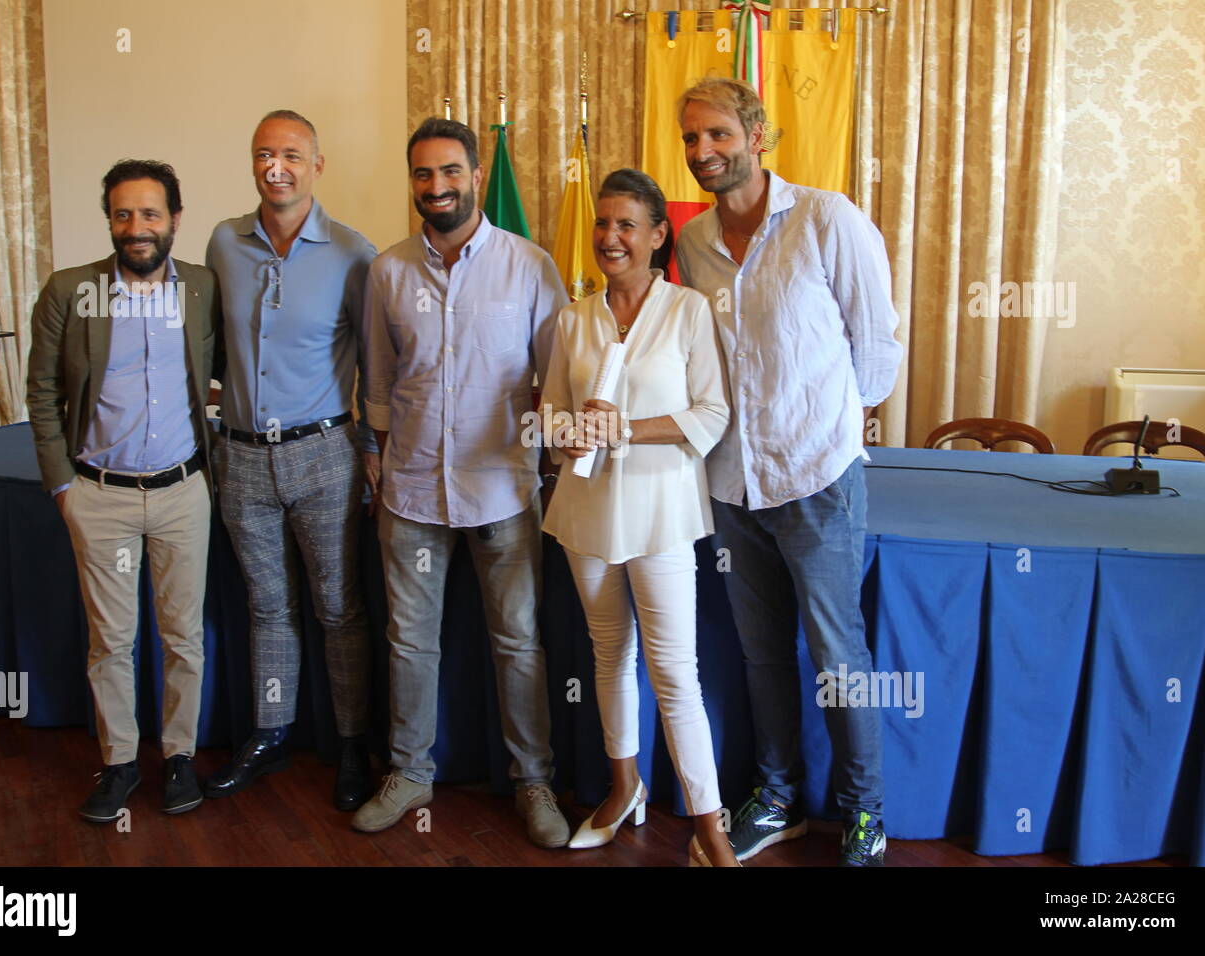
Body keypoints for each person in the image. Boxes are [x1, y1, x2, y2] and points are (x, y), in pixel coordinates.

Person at [674, 77, 903, 866]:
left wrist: (830, 426)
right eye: (692, 140)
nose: (704, 152)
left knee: (840, 653)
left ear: (757, 134)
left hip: (817, 478)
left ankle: (864, 813)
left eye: (718, 135)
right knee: (761, 650)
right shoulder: (692, 243)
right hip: (732, 485)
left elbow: (877, 346)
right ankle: (778, 798)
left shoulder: (824, 218)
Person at [354, 118, 569, 848]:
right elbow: (379, 384)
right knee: (410, 642)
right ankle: (411, 771)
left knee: (518, 642)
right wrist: (377, 455)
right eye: (423, 175)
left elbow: (555, 382)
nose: (437, 187)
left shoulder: (530, 267)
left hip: (504, 491)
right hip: (411, 492)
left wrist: (544, 465)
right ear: (412, 182)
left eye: (450, 172)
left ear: (477, 176)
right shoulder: (387, 272)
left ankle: (533, 779)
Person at [542, 169, 737, 867]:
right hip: (588, 513)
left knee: (675, 671)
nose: (611, 237)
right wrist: (563, 431)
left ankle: (709, 826)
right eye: (603, 224)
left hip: (659, 512)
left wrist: (624, 427)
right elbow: (549, 412)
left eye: (628, 225)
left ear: (659, 236)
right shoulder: (572, 317)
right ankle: (624, 787)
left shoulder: (688, 312)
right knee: (607, 654)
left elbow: (712, 415)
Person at [27, 159, 219, 822]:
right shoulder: (68, 290)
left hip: (182, 491)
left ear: (175, 220)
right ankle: (116, 764)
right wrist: (62, 486)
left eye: (150, 213)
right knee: (111, 641)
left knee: (182, 637)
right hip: (99, 495)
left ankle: (178, 757)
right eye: (123, 214)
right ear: (110, 219)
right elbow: (43, 393)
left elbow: (221, 372)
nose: (137, 227)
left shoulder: (202, 288)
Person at [203, 110, 379, 811]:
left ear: (317, 165)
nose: (277, 167)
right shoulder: (222, 242)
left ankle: (351, 746)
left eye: (292, 155)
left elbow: (378, 364)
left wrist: (372, 452)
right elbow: (212, 344)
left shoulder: (352, 253)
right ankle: (271, 733)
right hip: (242, 459)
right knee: (267, 607)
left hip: (325, 455)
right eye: (264, 154)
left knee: (339, 610)